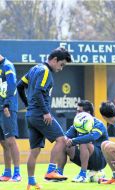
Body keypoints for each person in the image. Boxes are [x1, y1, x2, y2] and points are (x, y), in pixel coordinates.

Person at [17, 47, 72, 190]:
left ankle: (31, 182)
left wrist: (28, 105)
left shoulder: (35, 68)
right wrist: (46, 112)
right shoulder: (46, 71)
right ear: (54, 60)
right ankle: (51, 171)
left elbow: (20, 86)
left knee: (34, 151)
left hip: (31, 115)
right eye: (61, 65)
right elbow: (38, 92)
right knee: (62, 139)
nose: (61, 68)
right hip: (41, 115)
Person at [56, 100, 109, 183]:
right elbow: (66, 137)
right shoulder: (77, 124)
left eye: (79, 111)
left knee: (84, 141)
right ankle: (59, 174)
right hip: (85, 157)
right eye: (76, 111)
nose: (77, 114)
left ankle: (83, 175)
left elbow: (92, 137)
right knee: (63, 142)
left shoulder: (98, 124)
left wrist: (74, 141)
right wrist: (66, 140)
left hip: (100, 160)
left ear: (87, 113)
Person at [0, 54, 21, 182]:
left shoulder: (7, 65)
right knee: (3, 143)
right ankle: (7, 173)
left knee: (11, 140)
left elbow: (12, 85)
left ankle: (17, 173)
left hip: (7, 108)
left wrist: (7, 103)